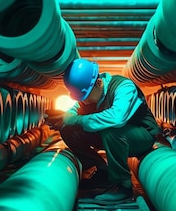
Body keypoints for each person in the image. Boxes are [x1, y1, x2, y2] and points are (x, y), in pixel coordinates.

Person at [44, 58, 160, 202]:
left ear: (99, 82)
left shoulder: (124, 87)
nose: (84, 101)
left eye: (85, 96)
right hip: (115, 139)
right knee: (68, 129)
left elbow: (117, 118)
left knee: (111, 129)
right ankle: (102, 173)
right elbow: (73, 112)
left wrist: (75, 119)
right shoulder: (89, 94)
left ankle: (123, 185)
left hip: (142, 136)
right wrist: (62, 118)